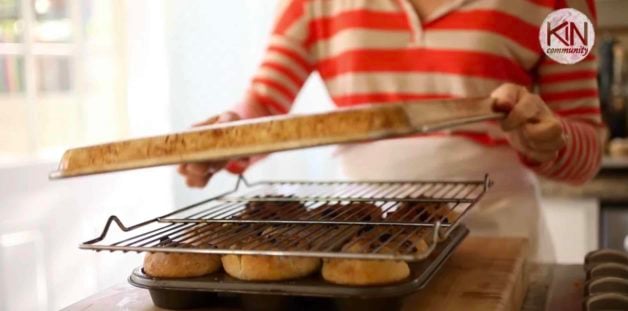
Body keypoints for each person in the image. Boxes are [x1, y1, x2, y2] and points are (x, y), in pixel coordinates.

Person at [177, 0, 604, 261]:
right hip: (356, 237)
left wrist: (552, 140)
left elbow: (586, 152)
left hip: (498, 234)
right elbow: (264, 104)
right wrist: (229, 134)